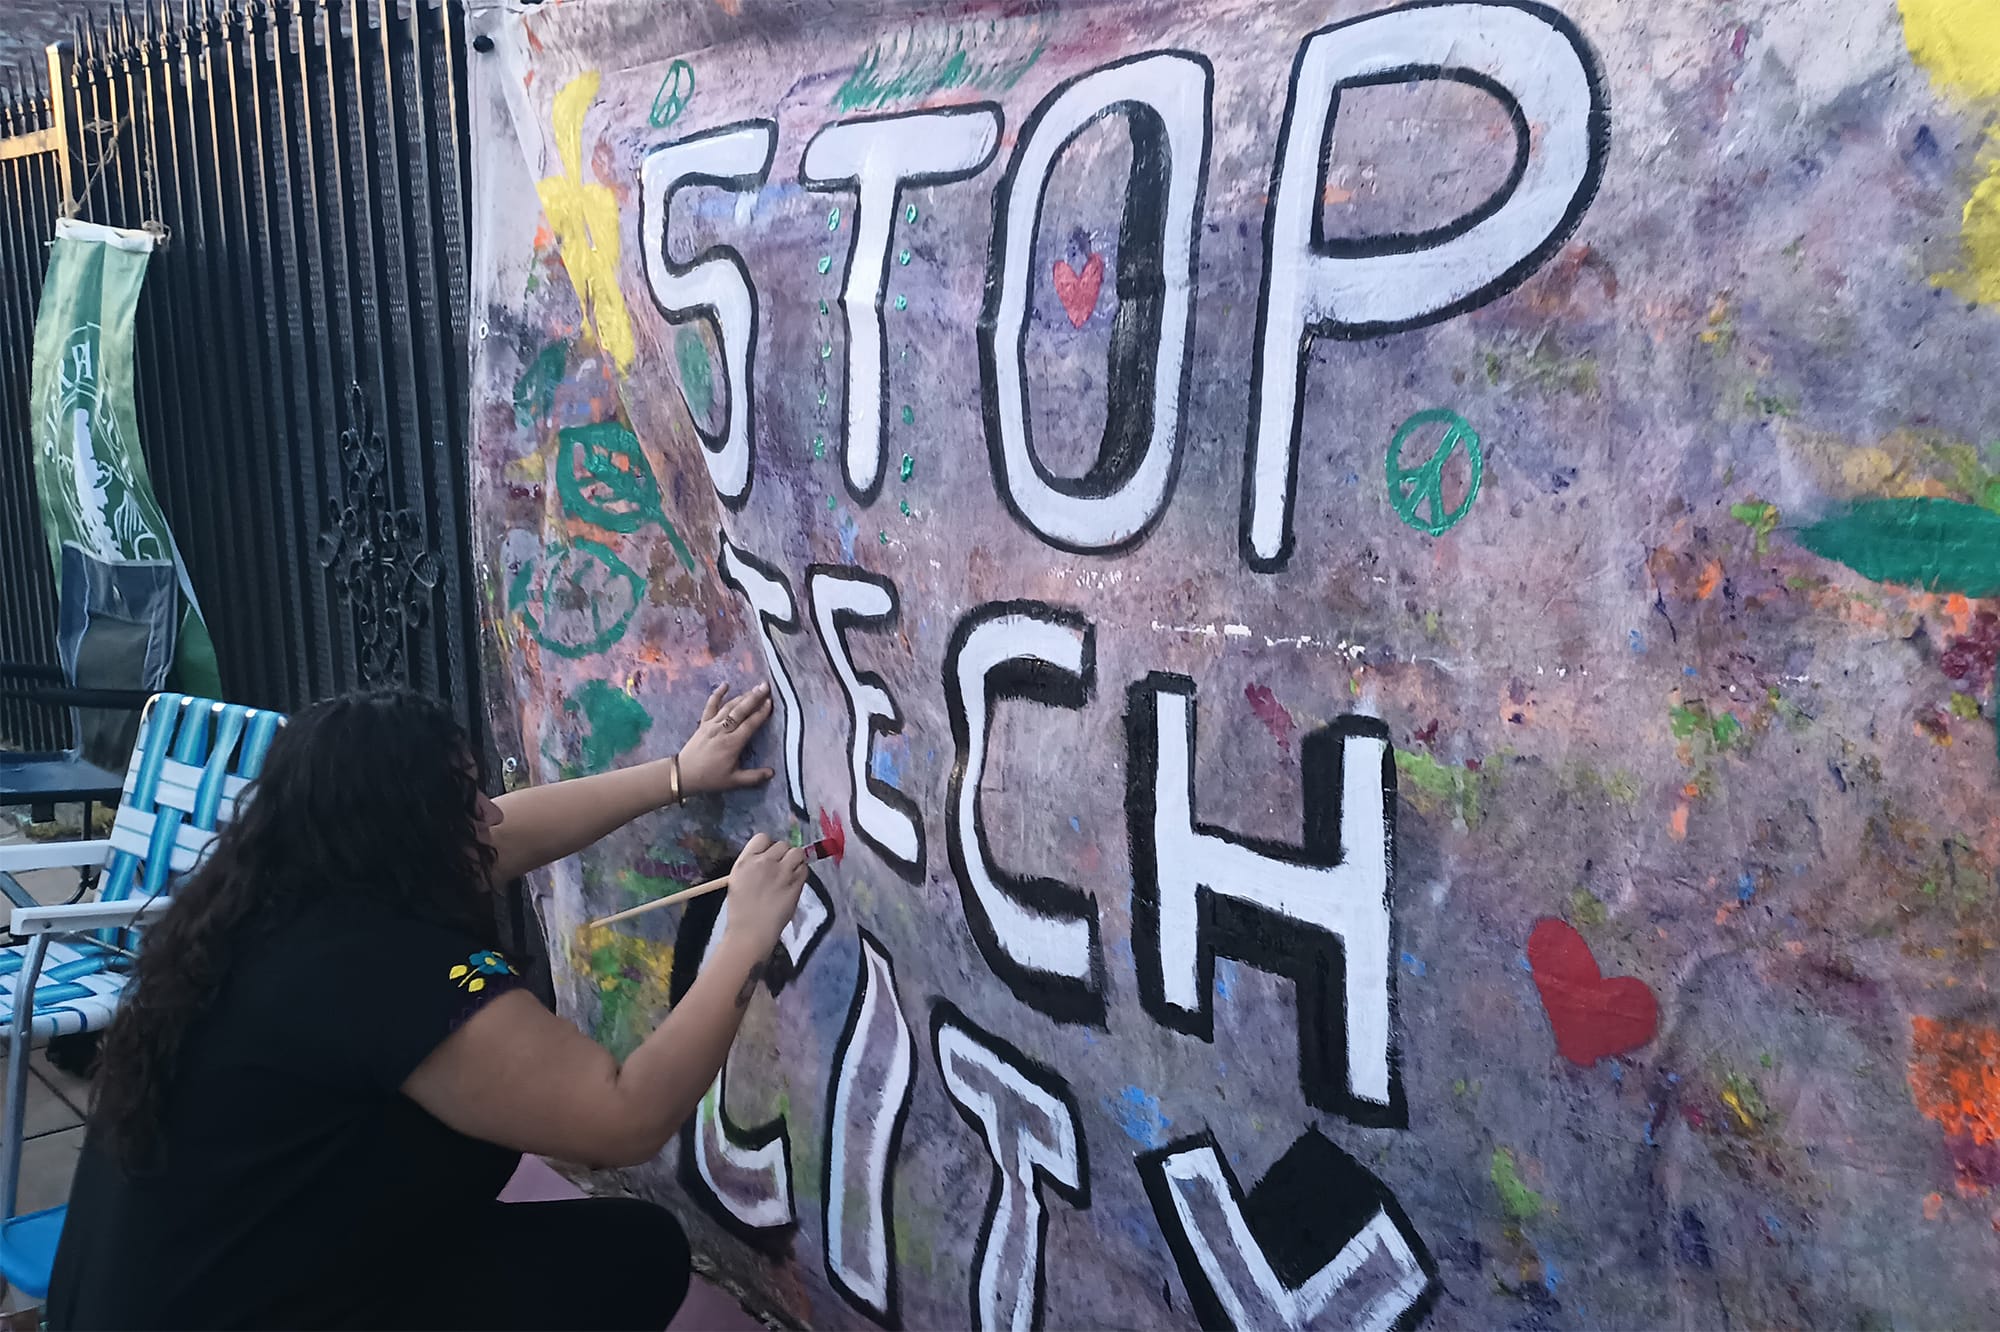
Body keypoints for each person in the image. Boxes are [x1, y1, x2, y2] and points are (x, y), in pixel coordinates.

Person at [48, 683, 805, 1331]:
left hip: (147, 1297)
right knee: (635, 1255)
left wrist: (676, 773)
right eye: (466, 797)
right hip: (242, 1309)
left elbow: (505, 833)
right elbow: (625, 1117)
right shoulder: (382, 969)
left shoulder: (276, 894)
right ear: (409, 833)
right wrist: (741, 939)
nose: (491, 814)